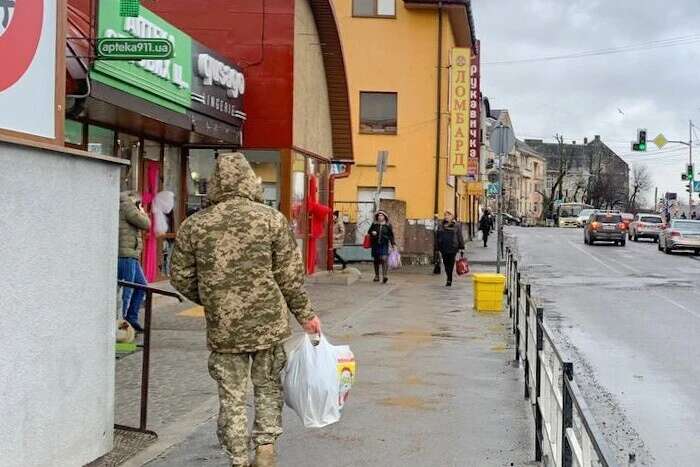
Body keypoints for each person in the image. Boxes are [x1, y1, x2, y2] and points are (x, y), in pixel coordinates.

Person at [170, 153, 321, 467]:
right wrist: (306, 315)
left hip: (225, 328)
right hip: (268, 324)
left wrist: (214, 299)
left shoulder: (195, 225)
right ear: (250, 181)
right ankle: (265, 446)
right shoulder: (270, 219)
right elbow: (290, 276)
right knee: (267, 386)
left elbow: (180, 277)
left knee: (232, 396)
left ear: (216, 184)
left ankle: (238, 458)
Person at [118, 192, 151, 332]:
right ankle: (123, 324)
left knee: (141, 286)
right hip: (126, 255)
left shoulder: (123, 205)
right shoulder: (127, 206)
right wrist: (142, 211)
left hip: (130, 254)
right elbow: (146, 224)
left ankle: (131, 317)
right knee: (127, 291)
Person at [437, 211, 465, 287]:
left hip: (453, 247)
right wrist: (438, 246)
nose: (446, 217)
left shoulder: (457, 225)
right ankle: (448, 276)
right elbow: (438, 236)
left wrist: (462, 247)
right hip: (443, 247)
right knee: (446, 264)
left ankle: (449, 279)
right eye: (445, 215)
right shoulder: (441, 225)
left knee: (451, 263)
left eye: (448, 215)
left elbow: (460, 236)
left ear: (452, 216)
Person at [367, 210, 396, 283]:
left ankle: (385, 276)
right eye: (379, 215)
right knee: (376, 260)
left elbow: (391, 235)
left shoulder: (388, 225)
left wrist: (393, 244)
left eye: (382, 215)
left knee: (384, 258)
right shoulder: (374, 224)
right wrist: (372, 232)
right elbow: (369, 231)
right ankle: (377, 276)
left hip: (384, 244)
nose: (380, 217)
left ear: (385, 217)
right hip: (375, 244)